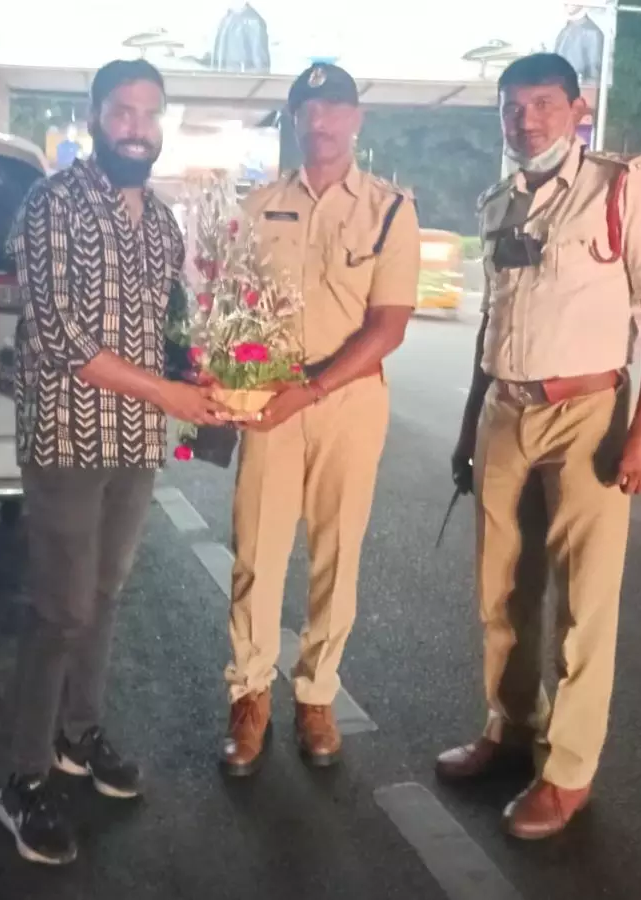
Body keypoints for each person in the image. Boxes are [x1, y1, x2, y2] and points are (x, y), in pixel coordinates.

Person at [433, 53, 641, 840]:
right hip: (506, 411)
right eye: (513, 107)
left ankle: (568, 769)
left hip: (589, 416)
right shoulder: (499, 201)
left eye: (544, 104)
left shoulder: (622, 186)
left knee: (585, 603)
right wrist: (471, 422)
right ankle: (510, 727)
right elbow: (492, 324)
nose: (527, 119)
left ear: (578, 108)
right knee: (500, 589)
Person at [0, 59, 230, 866]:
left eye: (149, 113)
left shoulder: (162, 224)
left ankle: (79, 732)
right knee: (60, 608)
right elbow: (60, 335)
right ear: (95, 116)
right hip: (67, 437)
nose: (137, 126)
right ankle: (22, 777)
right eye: (122, 111)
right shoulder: (54, 204)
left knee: (104, 594)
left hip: (134, 441)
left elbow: (169, 328)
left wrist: (196, 370)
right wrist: (168, 394)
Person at [219, 63, 420, 777]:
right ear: (295, 119)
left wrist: (314, 386)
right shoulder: (258, 205)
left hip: (348, 400)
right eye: (310, 108)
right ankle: (250, 697)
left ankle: (316, 695)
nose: (323, 121)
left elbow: (388, 325)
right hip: (267, 402)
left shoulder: (391, 209)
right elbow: (233, 305)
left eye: (335, 108)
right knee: (256, 553)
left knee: (337, 555)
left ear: (356, 119)